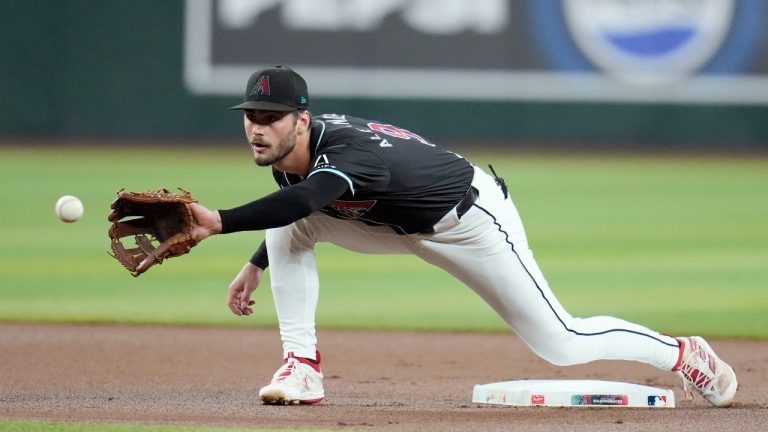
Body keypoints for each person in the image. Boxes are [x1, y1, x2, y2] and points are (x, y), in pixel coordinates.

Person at [189, 65, 738, 407]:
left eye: (273, 116)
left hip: (470, 221)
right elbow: (299, 207)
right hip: (397, 221)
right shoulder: (287, 154)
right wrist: (258, 261)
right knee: (290, 226)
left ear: (302, 120)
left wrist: (218, 221)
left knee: (561, 342)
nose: (259, 127)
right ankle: (301, 368)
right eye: (251, 115)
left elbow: (309, 198)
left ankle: (685, 353)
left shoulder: (346, 151)